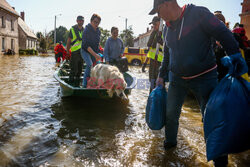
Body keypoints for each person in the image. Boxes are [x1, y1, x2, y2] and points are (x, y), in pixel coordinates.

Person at [149, 0, 248, 166]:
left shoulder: (199, 14)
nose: (158, 16)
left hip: (204, 78)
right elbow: (167, 52)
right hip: (176, 80)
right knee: (171, 115)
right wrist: (161, 75)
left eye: (158, 11)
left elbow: (223, 33)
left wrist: (235, 55)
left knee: (213, 119)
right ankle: (170, 148)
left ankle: (220, 161)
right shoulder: (166, 27)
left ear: (166, 4)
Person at [142, 16, 164, 93]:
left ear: (160, 23)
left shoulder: (164, 33)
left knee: (159, 82)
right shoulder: (153, 33)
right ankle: (151, 95)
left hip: (160, 62)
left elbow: (168, 48)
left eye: (155, 24)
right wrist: (145, 63)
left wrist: (162, 42)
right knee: (151, 81)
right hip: (152, 61)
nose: (153, 26)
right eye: (153, 24)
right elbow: (150, 50)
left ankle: (158, 98)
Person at [81, 14, 102, 88]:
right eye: (95, 22)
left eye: (98, 23)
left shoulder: (98, 32)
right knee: (89, 64)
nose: (96, 24)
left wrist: (98, 54)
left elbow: (97, 44)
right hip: (85, 50)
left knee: (97, 66)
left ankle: (94, 83)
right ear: (91, 21)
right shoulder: (86, 30)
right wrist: (95, 55)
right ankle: (84, 84)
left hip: (93, 51)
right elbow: (86, 46)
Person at [66, 15, 84, 86]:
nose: (81, 21)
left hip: (82, 52)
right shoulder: (73, 29)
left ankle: (77, 84)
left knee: (80, 69)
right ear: (77, 21)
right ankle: (70, 83)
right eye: (79, 20)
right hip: (74, 52)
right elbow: (68, 41)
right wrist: (67, 52)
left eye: (82, 20)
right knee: (73, 69)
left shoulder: (84, 30)